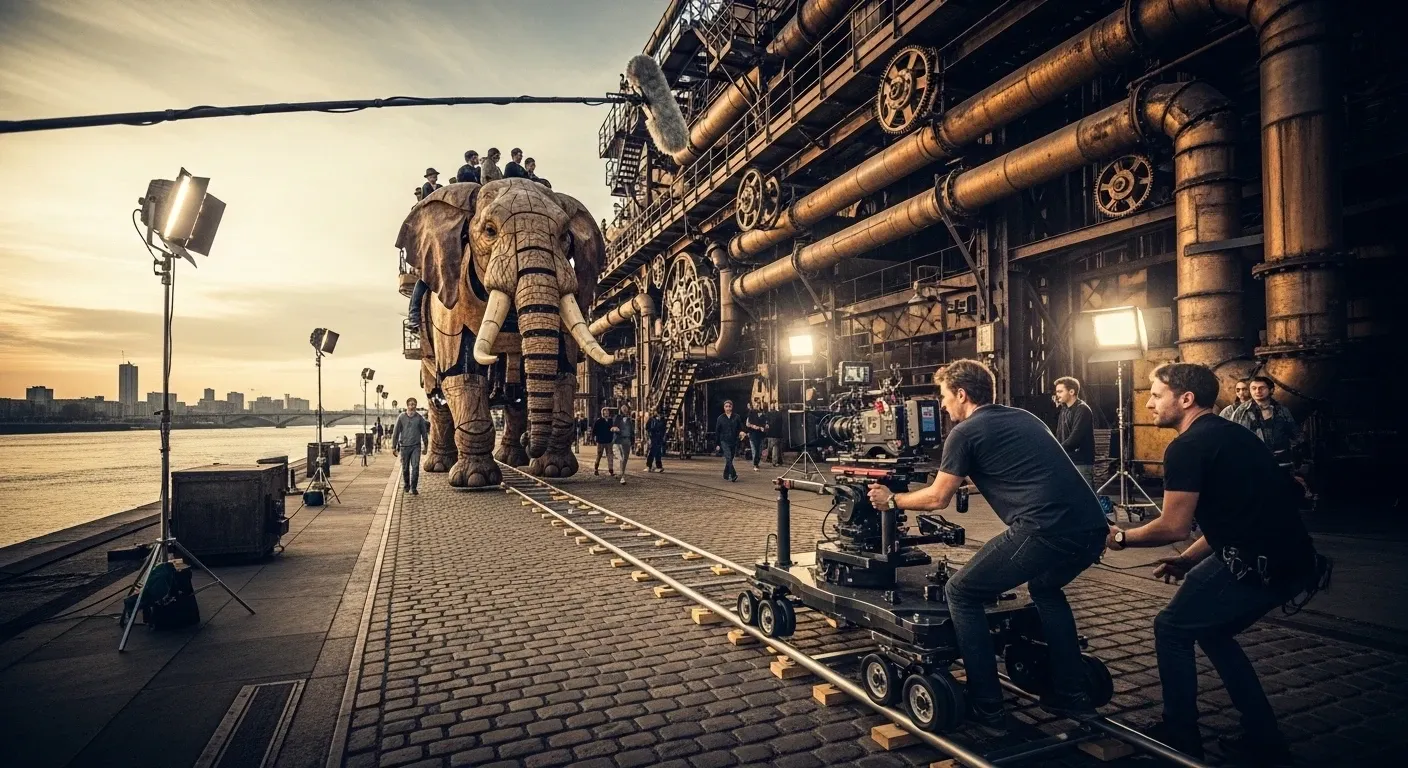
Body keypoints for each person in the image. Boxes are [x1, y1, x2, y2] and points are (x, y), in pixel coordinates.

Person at [866, 359, 1109, 733]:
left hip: (1044, 530)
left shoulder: (964, 433)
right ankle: (1072, 693)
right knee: (1045, 589)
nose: (942, 405)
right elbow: (1023, 468)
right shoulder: (1025, 418)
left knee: (961, 592)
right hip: (1093, 529)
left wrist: (892, 500)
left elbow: (937, 498)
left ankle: (987, 705)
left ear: (962, 394)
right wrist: (972, 481)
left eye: (945, 396)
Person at [1106, 363, 1319, 765]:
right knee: (1213, 633)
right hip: (1293, 559)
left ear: (1186, 399)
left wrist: (1120, 538)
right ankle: (1264, 738)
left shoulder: (1187, 446)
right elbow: (1234, 516)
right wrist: (1187, 560)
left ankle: (1180, 735)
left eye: (1156, 395)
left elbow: (1172, 525)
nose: (1149, 404)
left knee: (1171, 628)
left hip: (1255, 563)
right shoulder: (1232, 434)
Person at [1230, 376, 1302, 458]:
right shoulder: (1241, 412)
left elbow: (1296, 435)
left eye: (1262, 388)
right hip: (1252, 460)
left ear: (1271, 390)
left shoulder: (1282, 411)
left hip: (1280, 461)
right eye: (1254, 388)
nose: (1257, 391)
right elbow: (1232, 438)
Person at [1053, 376, 1096, 489]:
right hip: (1067, 460)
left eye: (1060, 391)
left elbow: (1075, 439)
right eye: (1057, 392)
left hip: (1080, 463)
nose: (1057, 395)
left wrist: (1055, 450)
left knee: (1085, 496)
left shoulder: (1082, 409)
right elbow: (1059, 434)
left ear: (1071, 392)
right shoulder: (1064, 409)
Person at [391, 397, 430, 495]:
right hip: (404, 447)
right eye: (411, 404)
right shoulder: (401, 417)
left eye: (414, 404)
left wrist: (426, 446)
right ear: (407, 406)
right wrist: (393, 447)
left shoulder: (419, 418)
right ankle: (406, 485)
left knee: (415, 467)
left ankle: (414, 487)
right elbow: (396, 432)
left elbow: (424, 433)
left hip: (416, 447)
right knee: (405, 468)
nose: (413, 406)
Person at [715, 400, 745, 482]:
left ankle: (725, 474)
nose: (728, 408)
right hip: (724, 440)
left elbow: (740, 427)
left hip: (734, 440)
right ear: (724, 408)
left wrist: (742, 432)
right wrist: (717, 444)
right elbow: (717, 431)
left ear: (732, 407)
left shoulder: (736, 417)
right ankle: (733, 475)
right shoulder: (720, 418)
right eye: (726, 406)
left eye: (729, 406)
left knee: (730, 459)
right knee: (728, 457)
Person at [612, 403, 635, 484]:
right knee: (622, 458)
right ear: (621, 409)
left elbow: (632, 431)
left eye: (626, 408)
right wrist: (615, 429)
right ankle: (622, 477)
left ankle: (621, 474)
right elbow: (613, 426)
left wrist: (633, 442)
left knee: (625, 459)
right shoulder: (617, 417)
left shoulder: (630, 420)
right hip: (619, 440)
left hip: (627, 440)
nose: (625, 410)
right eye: (623, 408)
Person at [592, 407, 615, 476]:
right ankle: (596, 469)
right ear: (603, 413)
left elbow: (613, 429)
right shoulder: (599, 421)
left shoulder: (611, 421)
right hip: (600, 441)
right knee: (599, 455)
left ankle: (611, 470)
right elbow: (594, 431)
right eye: (605, 412)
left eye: (607, 412)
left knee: (610, 456)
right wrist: (594, 438)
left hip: (609, 441)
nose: (607, 413)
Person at [745, 402, 768, 472]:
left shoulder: (762, 414)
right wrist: (757, 427)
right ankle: (755, 464)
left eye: (758, 405)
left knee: (760, 450)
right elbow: (748, 424)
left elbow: (765, 422)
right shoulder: (751, 413)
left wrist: (766, 426)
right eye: (756, 405)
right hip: (753, 434)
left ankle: (756, 462)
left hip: (761, 435)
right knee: (755, 450)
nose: (757, 406)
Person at [764, 403, 786, 467]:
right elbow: (782, 423)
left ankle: (770, 458)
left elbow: (766, 423)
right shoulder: (779, 414)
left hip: (770, 433)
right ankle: (775, 461)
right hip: (777, 433)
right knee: (776, 447)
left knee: (771, 446)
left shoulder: (767, 414)